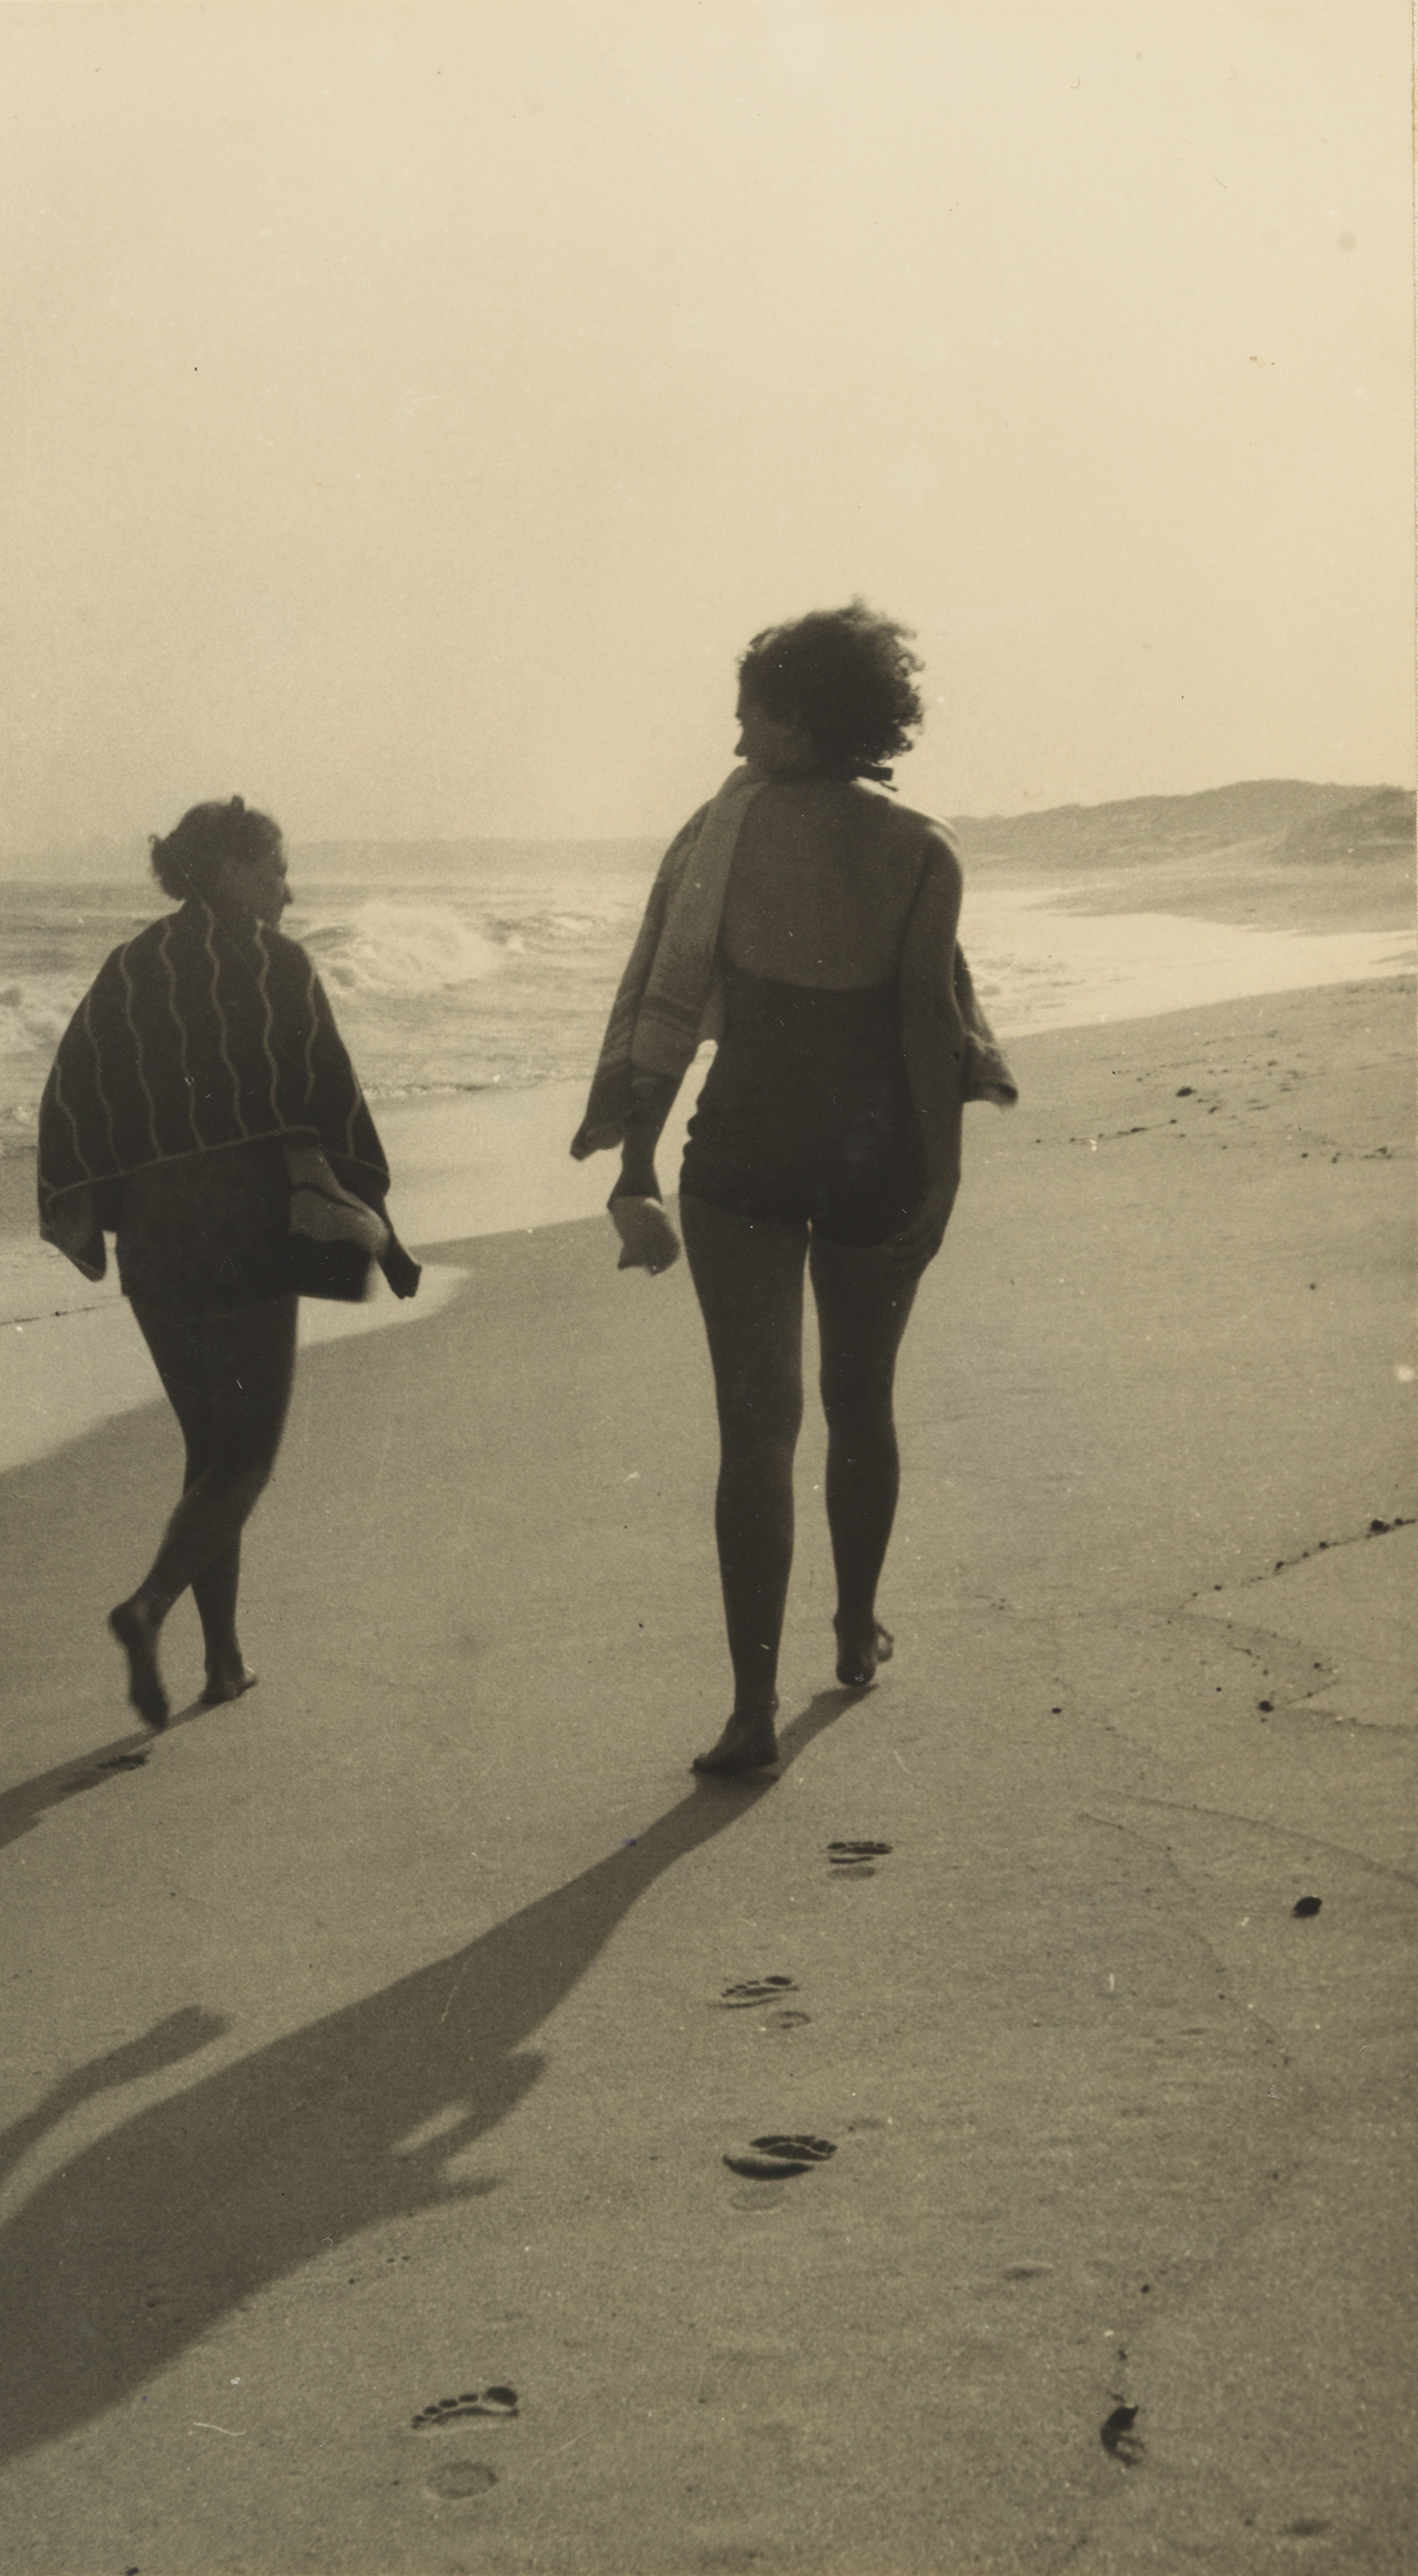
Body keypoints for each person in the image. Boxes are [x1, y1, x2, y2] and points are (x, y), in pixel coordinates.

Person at [572, 604, 1014, 1777]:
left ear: (798, 715)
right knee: (860, 1404)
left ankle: (750, 1708)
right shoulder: (925, 846)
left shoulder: (719, 833)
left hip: (742, 1154)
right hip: (875, 1154)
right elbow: (929, 1029)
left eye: (749, 708)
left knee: (754, 1428)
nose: (731, 731)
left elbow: (670, 993)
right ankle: (853, 1633)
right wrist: (942, 1173)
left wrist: (635, 1157)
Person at [39, 797, 419, 1728]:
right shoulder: (275, 964)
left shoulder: (126, 969)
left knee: (209, 1452)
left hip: (156, 1238)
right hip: (244, 1221)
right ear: (226, 872)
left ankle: (223, 1660)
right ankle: (149, 1606)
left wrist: (86, 1217)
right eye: (274, 869)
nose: (289, 888)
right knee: (243, 1457)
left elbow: (70, 1099)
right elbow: (331, 1096)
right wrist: (369, 1204)